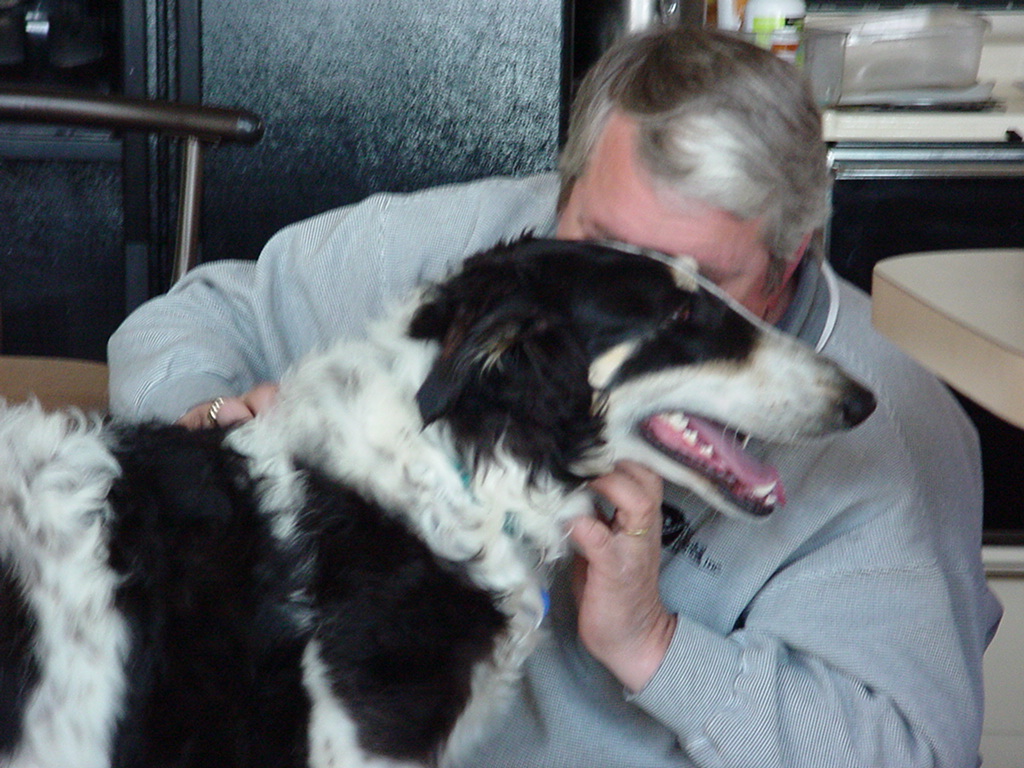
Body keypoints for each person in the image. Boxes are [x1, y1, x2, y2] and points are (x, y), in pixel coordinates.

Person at [108, 26, 1001, 768]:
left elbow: (908, 754)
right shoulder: (479, 247)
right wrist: (212, 430)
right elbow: (191, 318)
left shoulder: (890, 433)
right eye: (602, 245)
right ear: (565, 188)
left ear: (788, 260)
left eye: (699, 288)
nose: (629, 302)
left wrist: (656, 646)